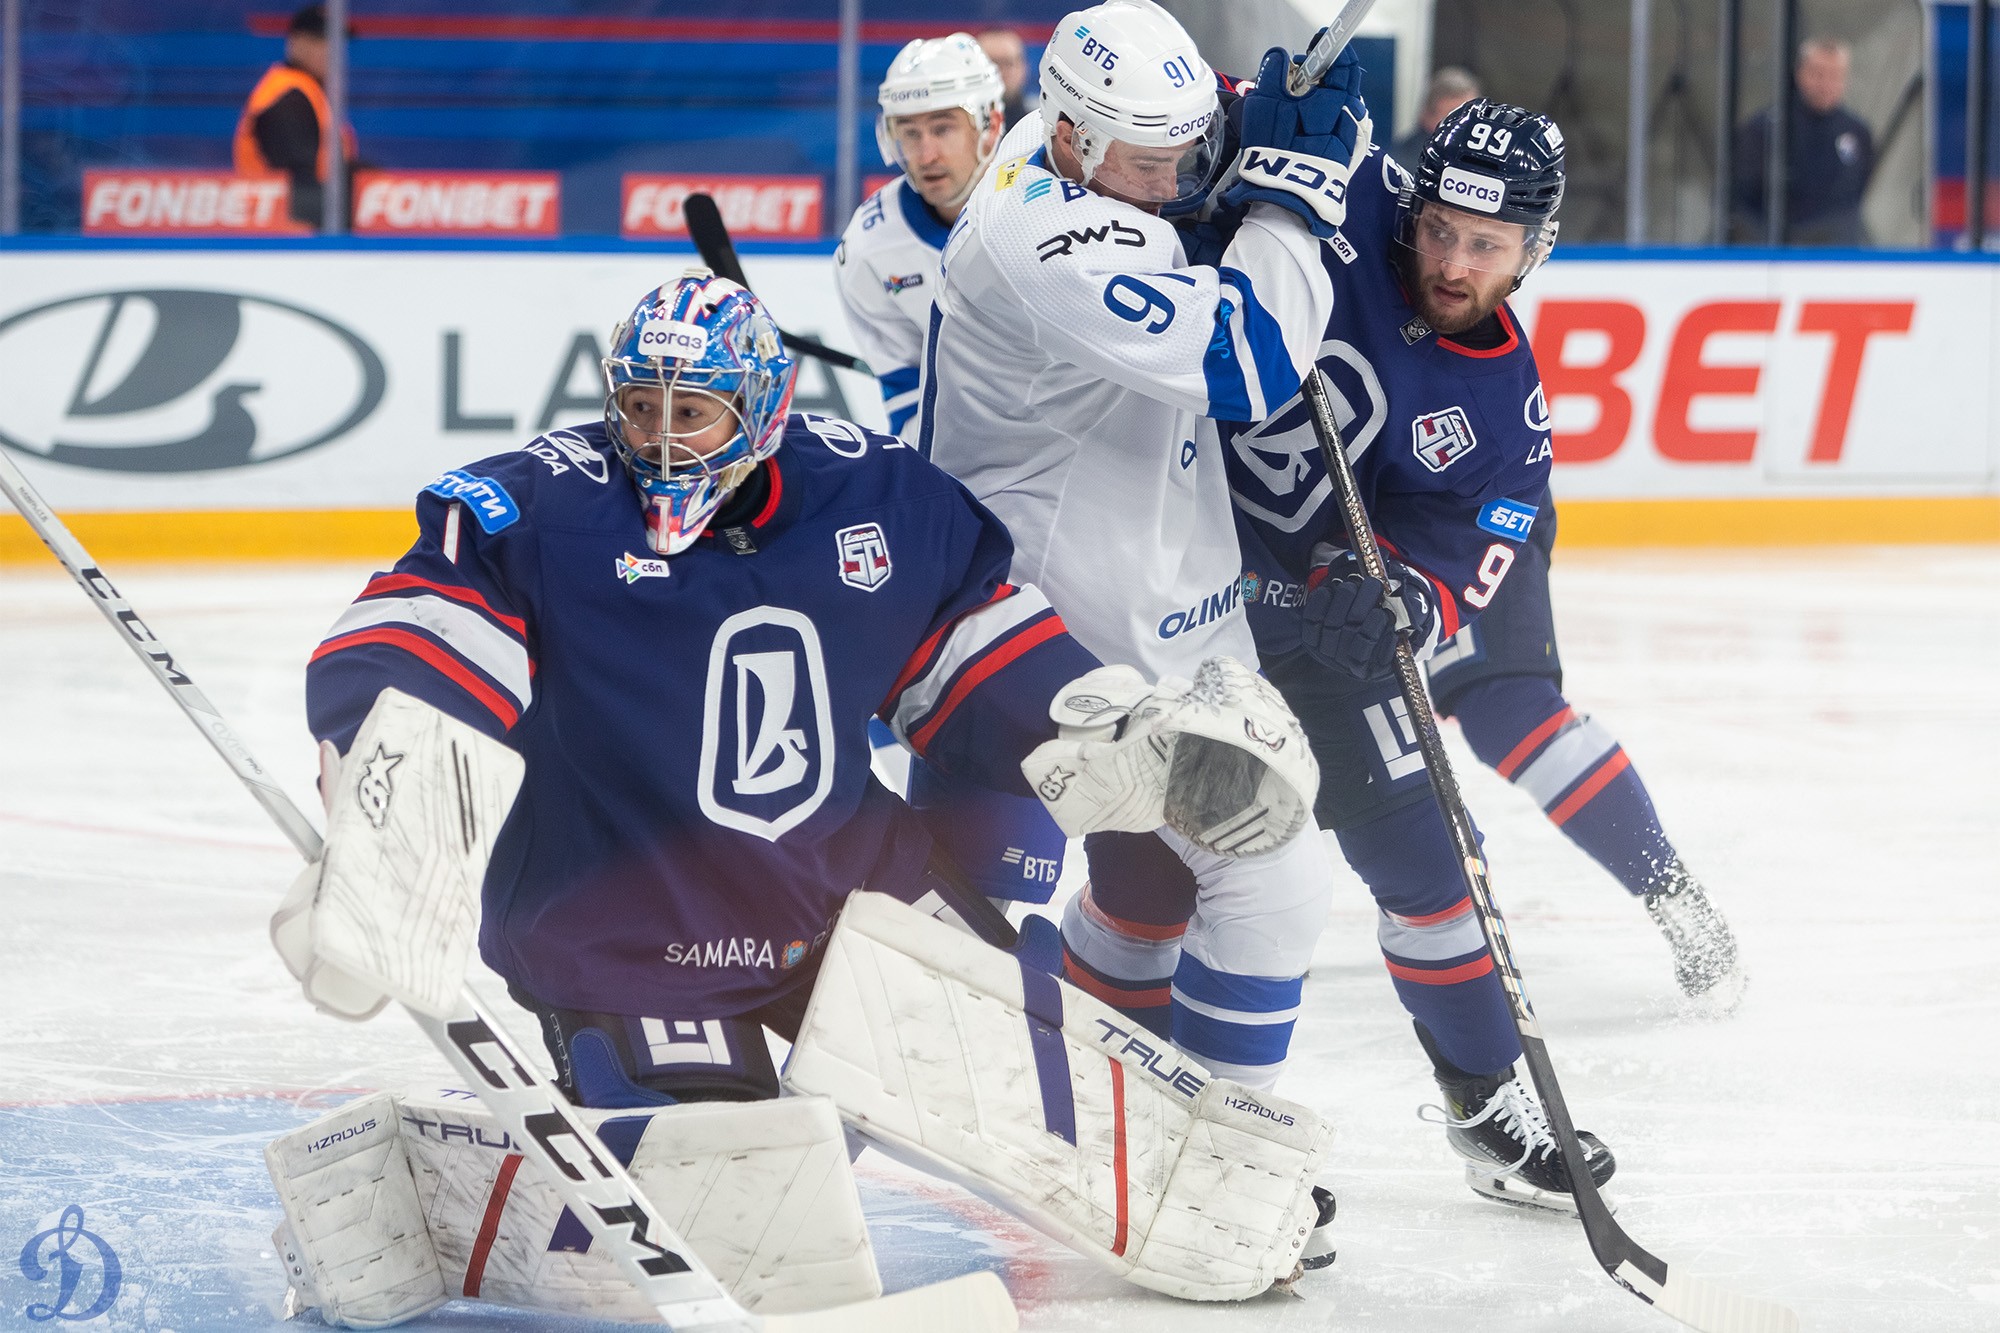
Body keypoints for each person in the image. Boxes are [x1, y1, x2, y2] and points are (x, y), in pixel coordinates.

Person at [269, 271, 1335, 1323]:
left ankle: (1214, 1207)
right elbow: (416, 643)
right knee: (724, 1201)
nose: (659, 441)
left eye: (691, 412)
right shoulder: (541, 513)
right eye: (638, 408)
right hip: (631, 919)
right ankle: (426, 1193)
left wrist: (1105, 734)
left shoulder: (879, 499)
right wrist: (390, 786)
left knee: (1039, 1077)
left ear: (761, 407)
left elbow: (971, 660)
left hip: (845, 887)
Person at [922, 0, 1373, 1093]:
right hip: (1062, 624)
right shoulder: (1040, 237)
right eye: (1147, 161)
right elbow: (1251, 363)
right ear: (1072, 136)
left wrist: (1258, 113)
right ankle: (1222, 1145)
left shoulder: (1079, 148)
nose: (1172, 182)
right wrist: (1294, 195)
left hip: (1147, 600)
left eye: (1183, 152)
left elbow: (1183, 158)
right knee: (1270, 876)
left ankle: (1126, 1110)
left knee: (1151, 889)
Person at [1212, 100, 1637, 1211]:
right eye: (1440, 229)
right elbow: (1186, 120)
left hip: (1315, 626)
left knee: (1435, 864)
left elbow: (1469, 550)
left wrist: (1401, 595)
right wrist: (1264, 111)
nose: (1451, 263)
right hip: (1180, 583)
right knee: (1187, 865)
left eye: (1486, 245)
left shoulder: (1508, 412)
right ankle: (1178, 1106)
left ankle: (1485, 1103)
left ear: (1535, 250)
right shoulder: (1347, 196)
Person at [836, 34, 1006, 442]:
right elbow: (911, 407)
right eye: (910, 133)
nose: (926, 155)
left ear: (991, 127)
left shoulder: (1052, 207)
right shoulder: (869, 249)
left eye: (943, 129)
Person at [1732, 37, 1875, 246]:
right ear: (1800, 74)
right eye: (1818, 74)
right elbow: (1743, 199)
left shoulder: (1857, 132)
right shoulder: (1765, 129)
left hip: (1839, 251)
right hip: (1778, 249)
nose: (1826, 84)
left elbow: (1859, 190)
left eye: (1835, 76)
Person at [233, 2, 359, 229]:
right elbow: (297, 186)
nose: (332, 52)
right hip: (281, 238)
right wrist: (360, 207)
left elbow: (334, 169)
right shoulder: (287, 98)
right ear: (296, 44)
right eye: (321, 41)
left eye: (337, 43)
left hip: (302, 236)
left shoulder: (313, 93)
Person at [1389, 65, 1479, 170]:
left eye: (1473, 118)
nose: (1466, 128)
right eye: (1454, 119)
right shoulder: (1403, 168)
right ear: (1427, 116)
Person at [977, 27, 1036, 128]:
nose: (999, 72)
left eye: (1008, 63)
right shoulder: (956, 127)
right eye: (991, 63)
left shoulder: (1039, 127)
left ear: (1023, 68)